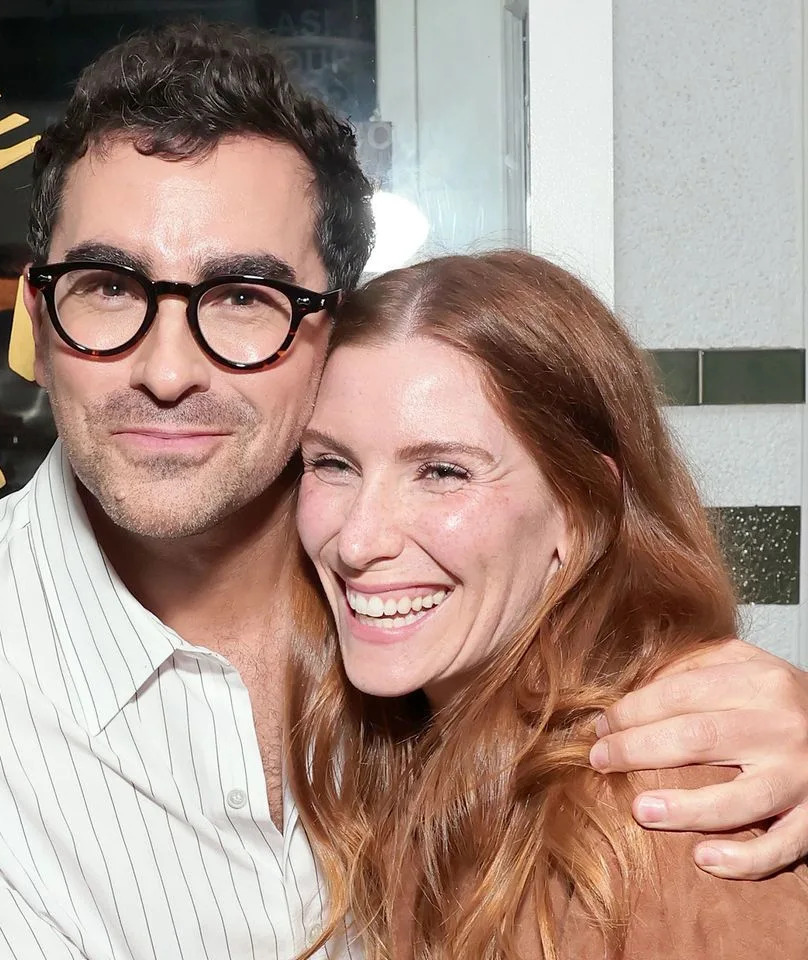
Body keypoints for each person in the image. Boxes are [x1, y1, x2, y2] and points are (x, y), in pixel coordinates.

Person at [0, 22, 806, 960]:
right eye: (107, 286)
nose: (169, 370)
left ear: (330, 331)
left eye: (242, 297)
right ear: (38, 317)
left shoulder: (456, 618)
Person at [290, 250, 808, 959]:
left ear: (578, 508)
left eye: (443, 471)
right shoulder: (426, 749)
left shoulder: (656, 813)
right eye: (332, 464)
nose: (358, 540)